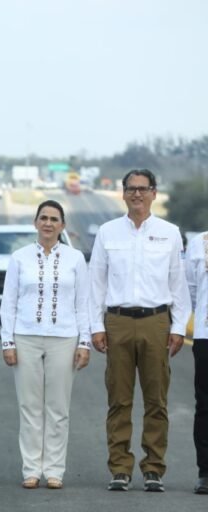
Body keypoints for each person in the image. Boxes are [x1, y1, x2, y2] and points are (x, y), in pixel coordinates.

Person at [89, 169, 190, 492]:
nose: (136, 194)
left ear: (154, 193)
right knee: (119, 398)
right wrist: (96, 326)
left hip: (156, 321)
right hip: (117, 320)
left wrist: (176, 327)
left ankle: (153, 468)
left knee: (156, 400)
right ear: (123, 194)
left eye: (142, 189)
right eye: (131, 189)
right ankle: (120, 467)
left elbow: (178, 283)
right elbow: (96, 284)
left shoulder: (169, 232)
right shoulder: (107, 232)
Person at [0, 200, 91, 490]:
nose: (48, 223)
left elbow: (83, 304)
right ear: (35, 223)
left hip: (64, 338)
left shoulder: (75, 260)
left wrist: (84, 342)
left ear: (62, 225)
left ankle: (54, 470)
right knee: (29, 406)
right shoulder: (19, 258)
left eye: (54, 219)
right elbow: (9, 302)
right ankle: (31, 469)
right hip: (25, 336)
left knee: (58, 407)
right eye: (43, 218)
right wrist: (8, 341)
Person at [185, 231, 208, 494]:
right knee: (205, 405)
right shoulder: (199, 243)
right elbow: (190, 290)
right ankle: (206, 471)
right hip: (206, 336)